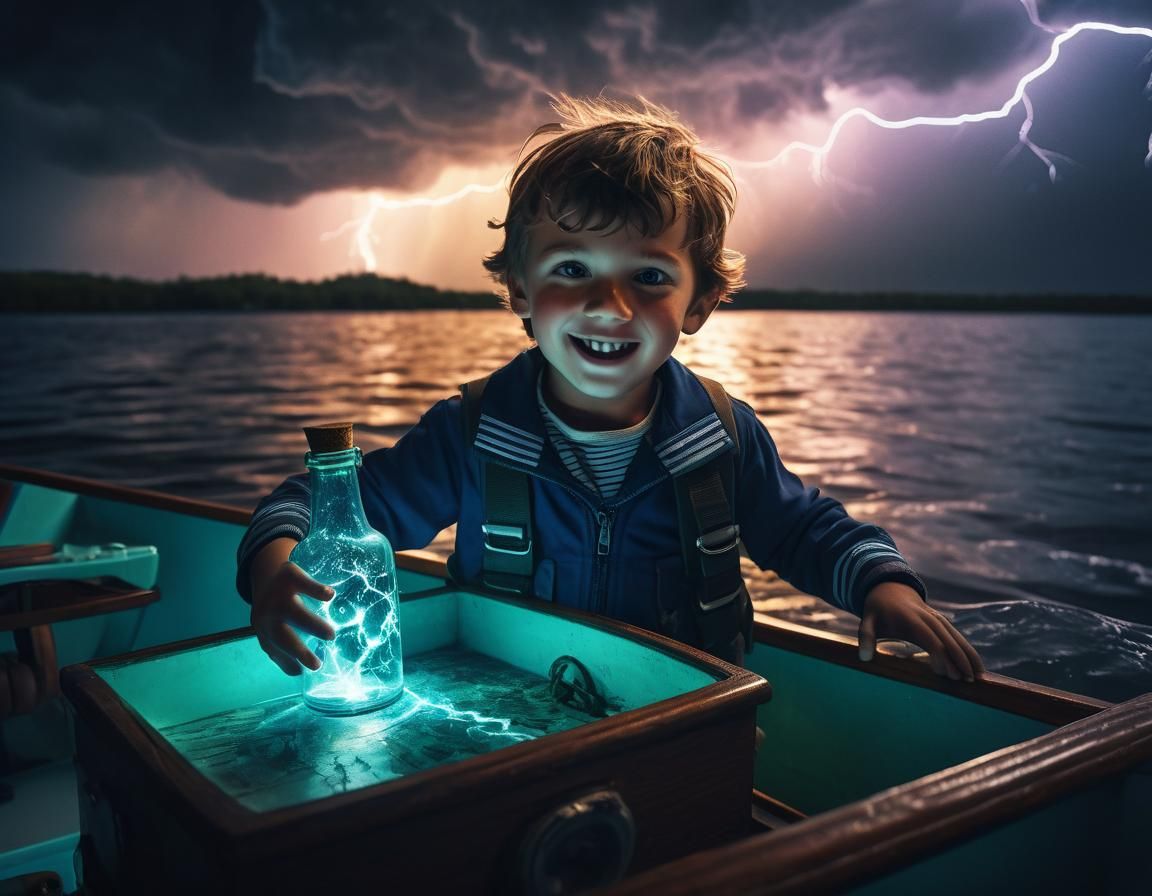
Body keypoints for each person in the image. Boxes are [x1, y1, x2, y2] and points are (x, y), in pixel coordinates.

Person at [237, 94, 984, 683]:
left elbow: (805, 530)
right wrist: (277, 561)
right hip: (509, 718)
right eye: (571, 270)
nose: (609, 306)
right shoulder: (469, 434)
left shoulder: (723, 435)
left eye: (649, 277)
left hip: (677, 721)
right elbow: (339, 502)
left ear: (698, 305)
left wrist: (884, 587)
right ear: (520, 291)